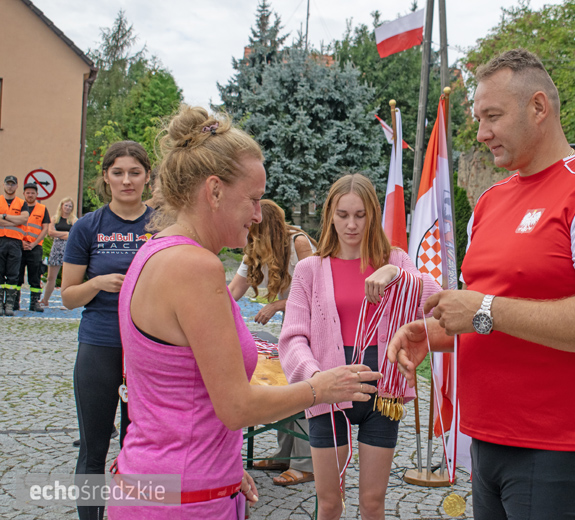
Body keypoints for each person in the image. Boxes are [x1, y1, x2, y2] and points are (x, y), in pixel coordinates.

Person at [387, 48, 575, 520]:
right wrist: (437, 335)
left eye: (493, 116)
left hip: (555, 447)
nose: (482, 132)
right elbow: (486, 314)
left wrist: (484, 308)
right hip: (485, 437)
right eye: (478, 117)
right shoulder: (490, 201)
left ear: (539, 107)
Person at [109, 106, 378, 519]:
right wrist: (322, 389)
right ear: (214, 191)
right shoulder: (194, 266)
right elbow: (236, 407)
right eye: (253, 199)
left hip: (166, 483)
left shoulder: (155, 251)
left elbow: (179, 394)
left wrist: (226, 466)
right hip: (185, 500)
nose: (258, 214)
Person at [278, 173, 441, 520]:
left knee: (372, 503)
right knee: (329, 504)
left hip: (383, 390)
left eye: (360, 215)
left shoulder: (395, 261)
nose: (351, 224)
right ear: (329, 216)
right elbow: (292, 338)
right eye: (343, 214)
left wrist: (395, 276)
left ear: (373, 215)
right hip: (328, 389)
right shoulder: (309, 269)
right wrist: (316, 378)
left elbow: (435, 298)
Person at [61, 140, 154, 520]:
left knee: (146, 449)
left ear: (148, 177)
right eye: (118, 172)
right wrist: (98, 284)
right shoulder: (88, 226)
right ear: (106, 177)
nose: (127, 180)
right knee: (93, 449)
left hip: (151, 349)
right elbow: (68, 296)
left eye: (135, 172)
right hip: (99, 344)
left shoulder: (163, 225)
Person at [228, 199, 318, 486]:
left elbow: (318, 293)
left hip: (316, 329)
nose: (249, 236)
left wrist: (278, 304)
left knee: (304, 388)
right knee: (286, 382)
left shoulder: (299, 244)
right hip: (293, 327)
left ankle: (307, 465)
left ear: (268, 230)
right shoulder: (254, 247)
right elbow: (233, 291)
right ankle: (284, 454)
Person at [16, 182, 50, 312]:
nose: (30, 195)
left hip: (35, 247)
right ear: (24, 194)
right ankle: (14, 302)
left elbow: (45, 228)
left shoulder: (42, 208)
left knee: (35, 276)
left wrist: (34, 244)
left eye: (33, 193)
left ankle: (34, 303)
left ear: (37, 194)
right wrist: (22, 242)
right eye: (28, 192)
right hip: (19, 245)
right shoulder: (18, 207)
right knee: (16, 275)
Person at [0, 175, 31, 316]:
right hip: (1, 240)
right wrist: (15, 221)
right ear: (4, 185)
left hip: (15, 242)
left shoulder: (21, 203)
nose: (10, 186)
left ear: (17, 186)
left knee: (13, 275)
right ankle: (0, 304)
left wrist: (4, 217)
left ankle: (9, 305)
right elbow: (19, 220)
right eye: (8, 184)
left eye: (13, 184)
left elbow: (24, 218)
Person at [41, 197, 78, 307]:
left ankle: (67, 302)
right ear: (61, 206)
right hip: (56, 248)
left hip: (69, 249)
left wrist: (59, 234)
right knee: (51, 277)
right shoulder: (55, 218)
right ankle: (45, 299)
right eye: (66, 205)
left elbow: (73, 235)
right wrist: (65, 234)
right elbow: (51, 232)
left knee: (66, 278)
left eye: (70, 206)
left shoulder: (73, 220)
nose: (67, 208)